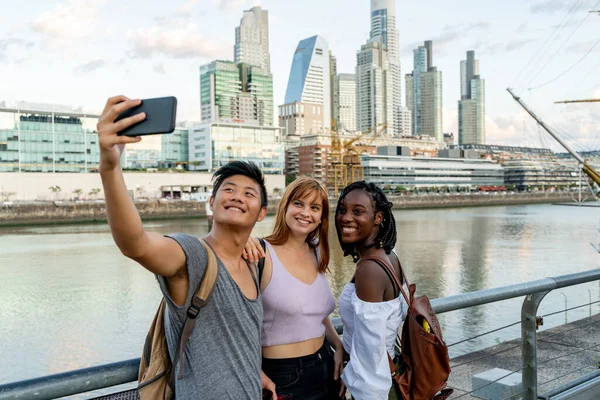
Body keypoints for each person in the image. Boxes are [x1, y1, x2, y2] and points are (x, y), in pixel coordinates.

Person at [97, 95, 272, 399]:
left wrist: (254, 373)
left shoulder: (254, 262)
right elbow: (135, 244)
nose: (237, 197)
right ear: (211, 203)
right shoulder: (193, 256)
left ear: (261, 214)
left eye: (249, 193)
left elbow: (235, 338)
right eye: (227, 190)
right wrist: (110, 168)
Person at [244, 177, 344, 399]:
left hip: (326, 365)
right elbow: (235, 321)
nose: (305, 213)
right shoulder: (259, 252)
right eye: (298, 203)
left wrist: (338, 345)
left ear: (321, 218)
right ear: (285, 206)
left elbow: (314, 313)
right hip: (282, 376)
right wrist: (254, 371)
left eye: (315, 208)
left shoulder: (317, 251)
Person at [335, 181, 408, 400]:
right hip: (391, 372)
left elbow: (370, 354)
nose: (346, 218)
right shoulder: (389, 256)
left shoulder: (370, 270)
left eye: (358, 211)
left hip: (377, 389)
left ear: (378, 218)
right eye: (342, 210)